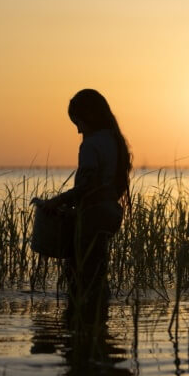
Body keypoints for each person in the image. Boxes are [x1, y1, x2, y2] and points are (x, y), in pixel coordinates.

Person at [35, 89, 132, 315]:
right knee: (97, 272)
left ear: (89, 117)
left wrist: (56, 201)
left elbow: (88, 186)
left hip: (93, 218)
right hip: (111, 214)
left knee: (80, 275)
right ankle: (99, 324)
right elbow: (110, 188)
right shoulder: (115, 141)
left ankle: (82, 328)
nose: (78, 130)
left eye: (77, 123)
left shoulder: (90, 145)